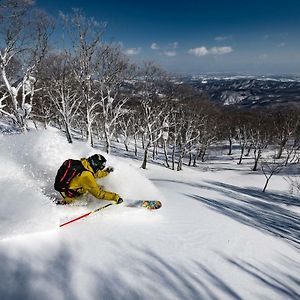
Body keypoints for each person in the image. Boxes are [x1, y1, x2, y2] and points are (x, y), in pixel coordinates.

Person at [57, 154, 123, 205]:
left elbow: (96, 174)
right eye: (100, 167)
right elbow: (99, 194)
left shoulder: (85, 164)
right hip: (69, 194)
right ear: (96, 165)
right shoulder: (87, 176)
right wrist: (115, 197)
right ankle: (64, 204)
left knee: (100, 187)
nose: (100, 169)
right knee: (98, 191)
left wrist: (107, 172)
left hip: (71, 187)